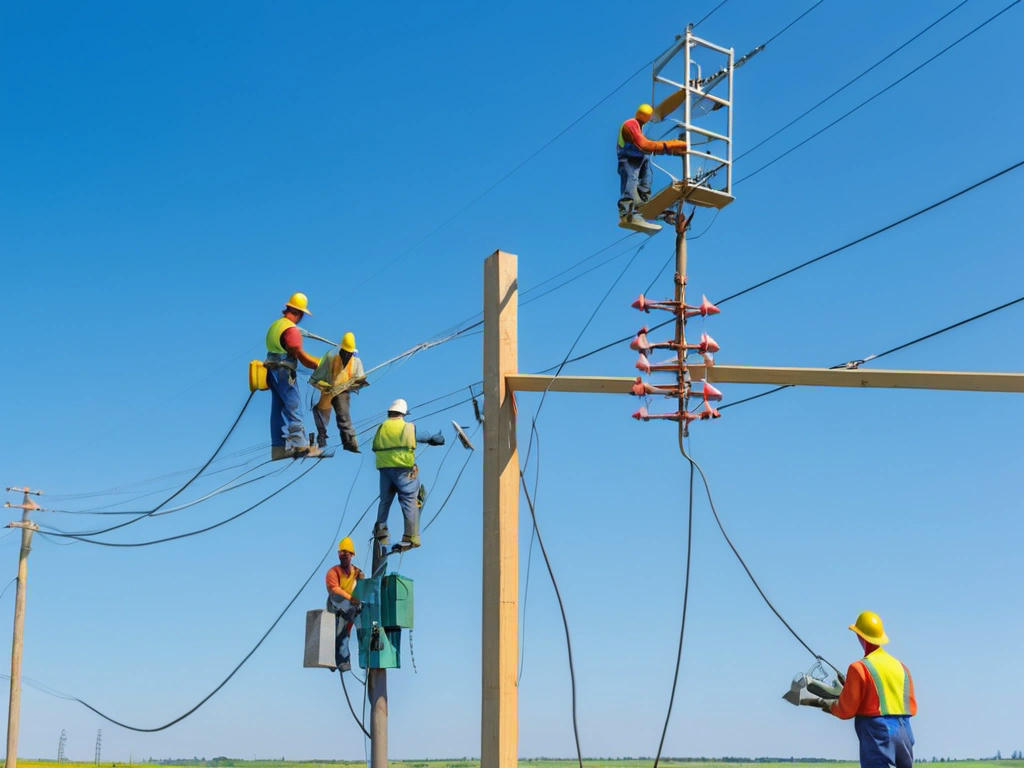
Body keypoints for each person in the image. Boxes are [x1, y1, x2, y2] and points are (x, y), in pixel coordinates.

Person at [824, 611, 917, 768]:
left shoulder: (858, 668)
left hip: (877, 731)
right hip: (905, 731)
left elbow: (846, 711)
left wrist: (830, 706)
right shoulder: (902, 667)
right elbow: (910, 704)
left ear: (860, 636)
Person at [371, 398, 444, 551]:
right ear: (403, 413)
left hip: (384, 470)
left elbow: (375, 446)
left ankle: (381, 532)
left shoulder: (381, 428)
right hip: (403, 470)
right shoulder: (407, 427)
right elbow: (421, 436)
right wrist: (435, 439)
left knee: (385, 500)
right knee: (409, 501)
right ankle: (411, 537)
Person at [265, 292, 321, 460]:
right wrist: (315, 364)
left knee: (278, 410)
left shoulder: (276, 325)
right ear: (299, 312)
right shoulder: (291, 329)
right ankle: (301, 445)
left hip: (271, 372)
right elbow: (298, 352)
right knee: (293, 406)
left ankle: (278, 448)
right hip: (284, 372)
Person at [617, 103, 687, 232]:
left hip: (641, 159)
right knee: (630, 183)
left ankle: (643, 205)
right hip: (629, 160)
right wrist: (669, 146)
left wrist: (672, 150)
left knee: (646, 180)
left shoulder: (640, 128)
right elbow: (645, 145)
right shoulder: (630, 125)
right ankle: (626, 213)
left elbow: (650, 148)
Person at [309, 331, 367, 453]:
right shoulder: (330, 360)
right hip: (328, 392)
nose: (346, 355)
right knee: (319, 411)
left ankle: (350, 443)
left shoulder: (356, 363)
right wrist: (324, 386)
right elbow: (313, 380)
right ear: (340, 350)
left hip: (342, 393)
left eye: (349, 353)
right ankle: (321, 439)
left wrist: (354, 384)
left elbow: (361, 381)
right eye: (344, 352)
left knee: (343, 415)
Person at [325, 537, 364, 671]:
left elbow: (363, 590)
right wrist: (351, 599)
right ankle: (340, 661)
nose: (344, 556)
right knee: (338, 631)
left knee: (345, 632)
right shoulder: (333, 572)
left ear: (352, 555)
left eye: (346, 553)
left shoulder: (358, 574)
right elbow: (334, 590)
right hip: (336, 606)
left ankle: (369, 651)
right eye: (341, 553)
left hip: (351, 609)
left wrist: (357, 602)